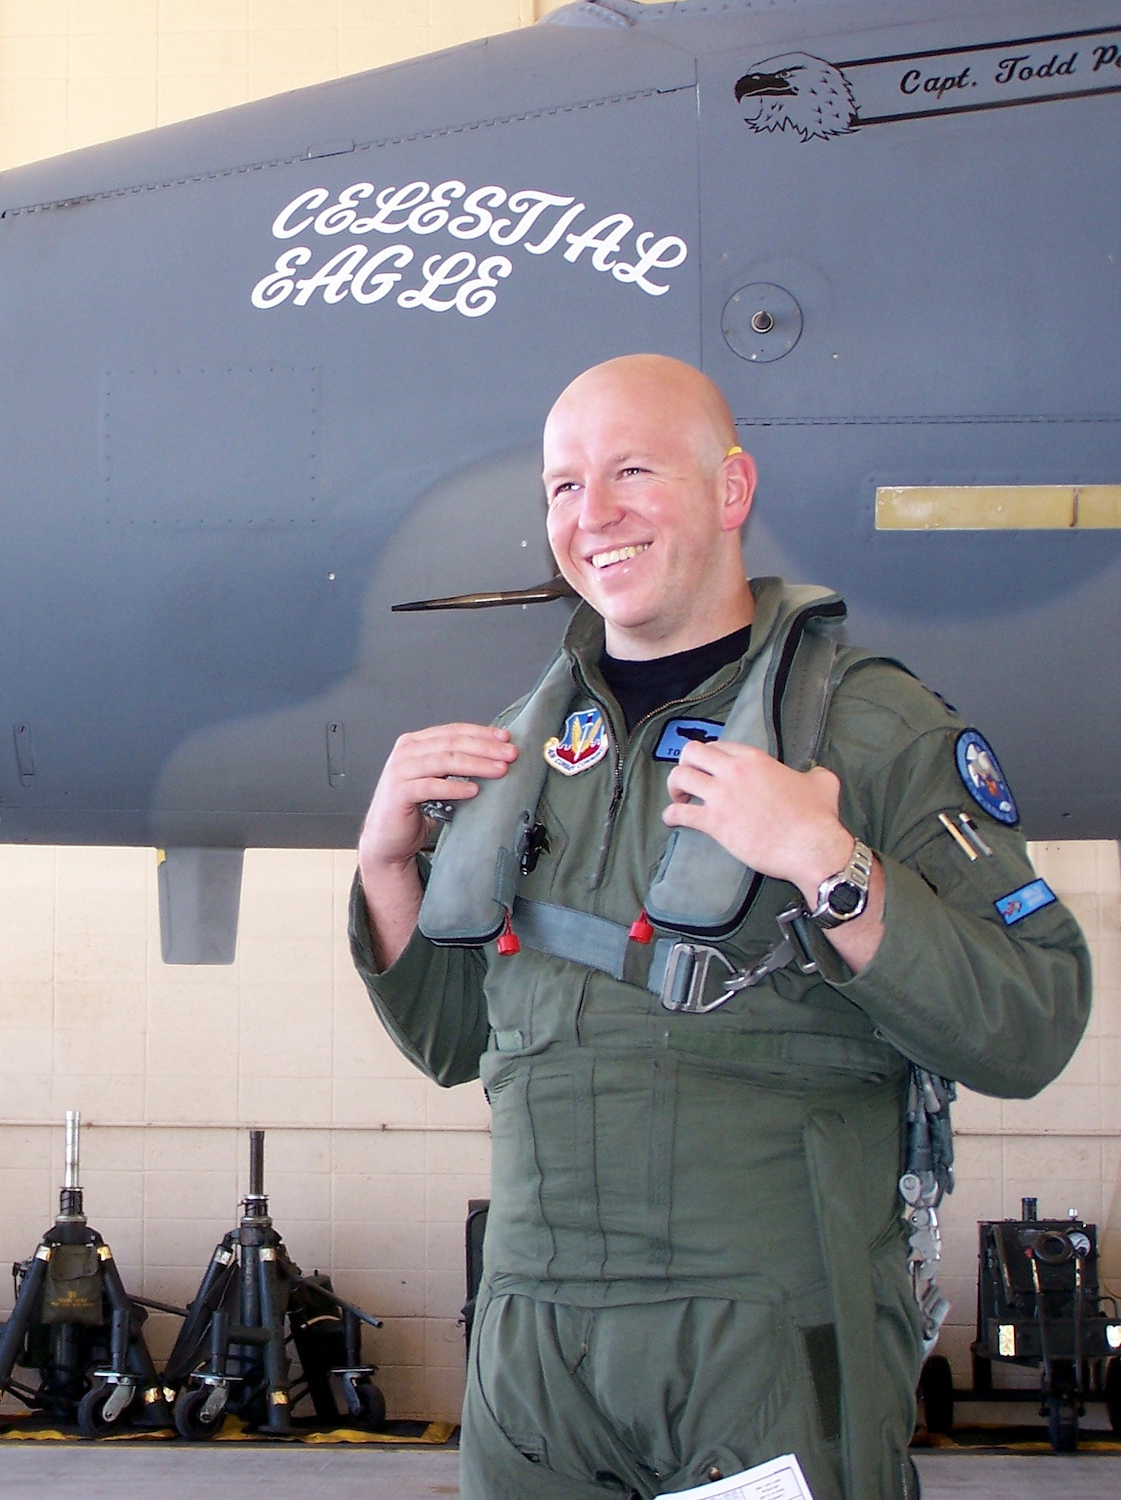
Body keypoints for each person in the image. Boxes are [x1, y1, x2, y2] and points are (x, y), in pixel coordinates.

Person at [352, 355, 1091, 1500]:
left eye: (629, 471)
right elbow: (454, 1046)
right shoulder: (519, 753)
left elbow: (1032, 1023)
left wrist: (829, 867)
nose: (588, 515)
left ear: (730, 488)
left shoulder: (868, 729)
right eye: (560, 486)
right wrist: (387, 864)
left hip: (764, 1353)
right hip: (533, 1359)